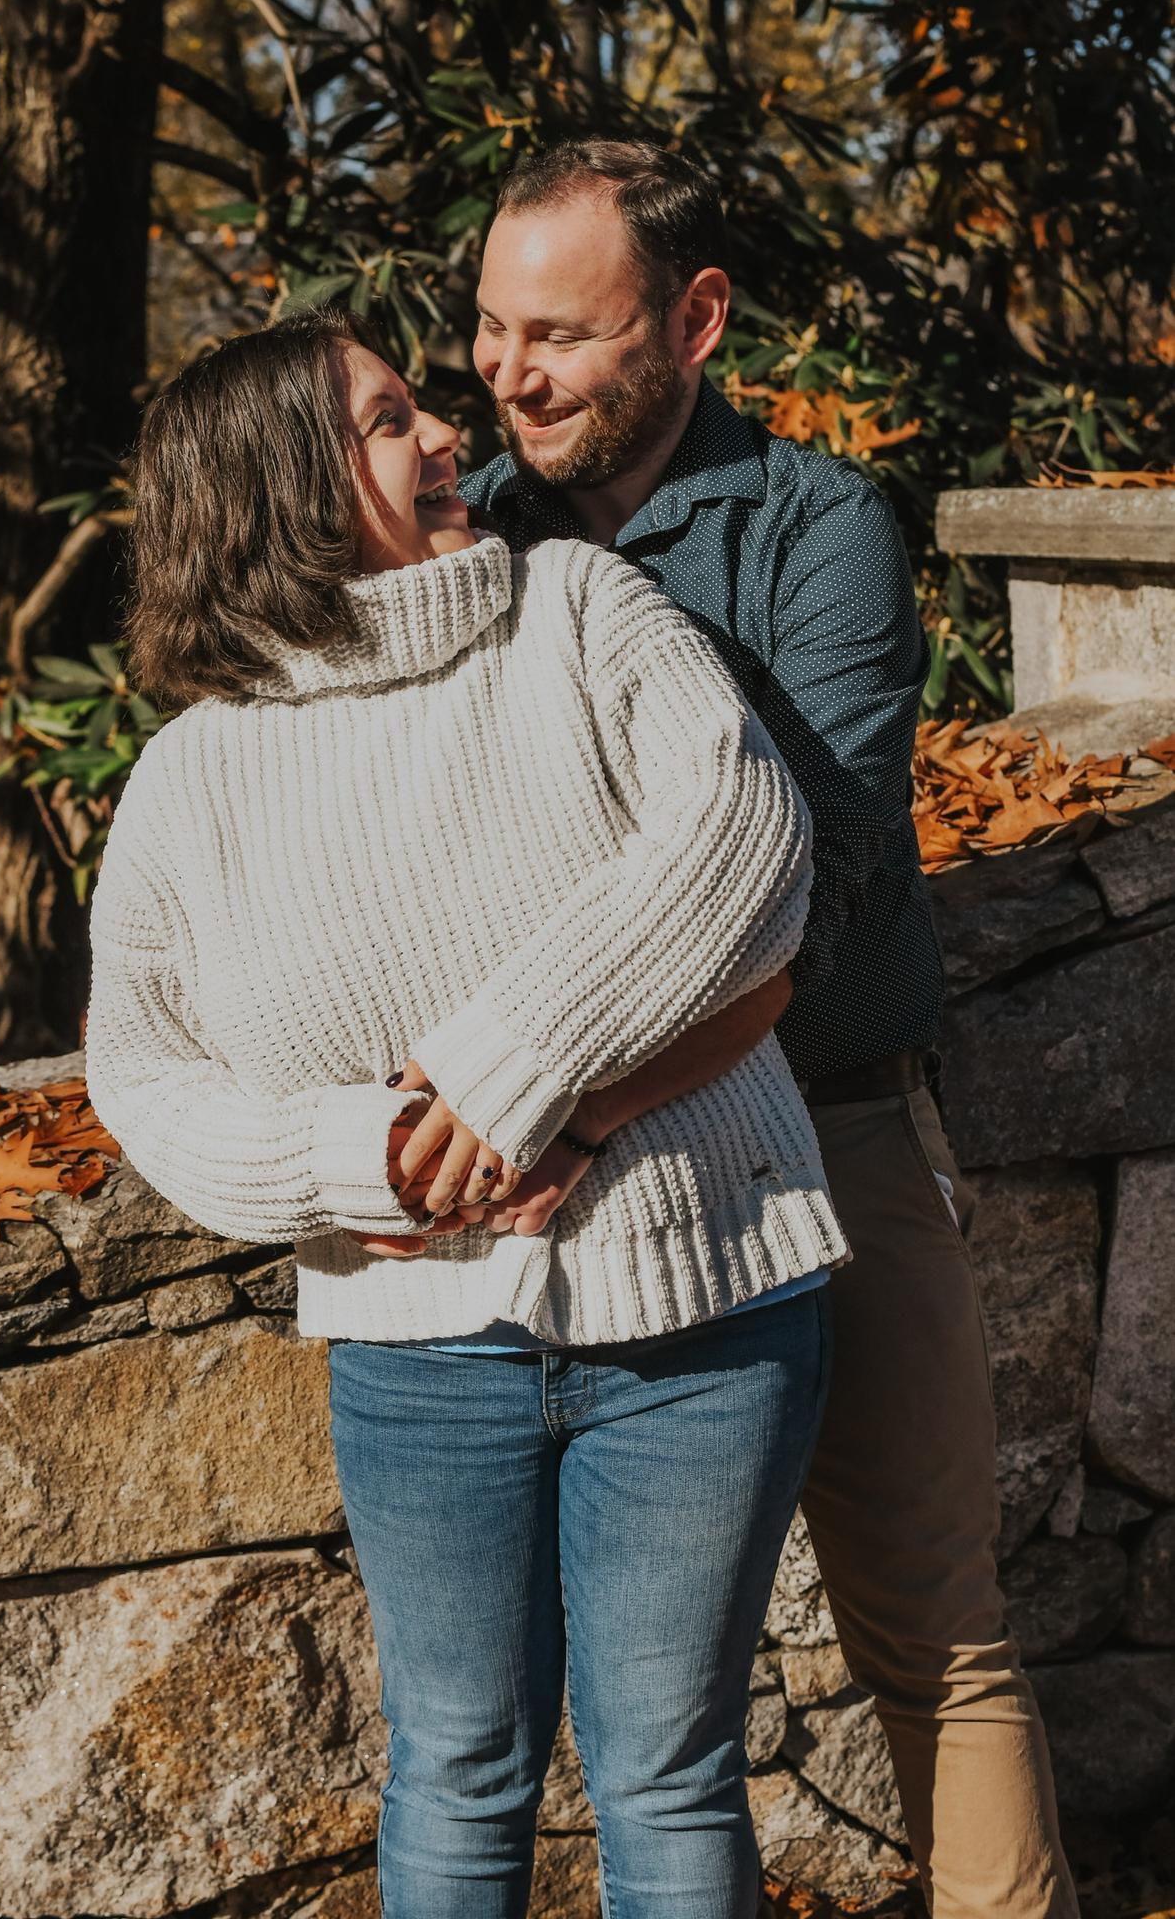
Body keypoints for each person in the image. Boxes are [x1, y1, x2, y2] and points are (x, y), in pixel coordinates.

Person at [85, 309, 851, 1919]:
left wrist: (504, 1072)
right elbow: (141, 1075)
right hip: (418, 1355)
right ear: (283, 490)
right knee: (456, 1766)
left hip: (702, 1307)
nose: (447, 434)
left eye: (418, 408)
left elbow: (744, 846)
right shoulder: (192, 778)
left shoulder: (578, 608)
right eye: (386, 421)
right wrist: (351, 1158)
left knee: (667, 1772)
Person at [454, 137, 1078, 1918]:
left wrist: (589, 1089)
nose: (510, 375)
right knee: (566, 1708)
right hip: (549, 1170)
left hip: (824, 1127)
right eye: (492, 329)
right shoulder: (465, 534)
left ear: (696, 318)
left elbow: (825, 879)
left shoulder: (816, 527)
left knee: (934, 1620)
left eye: (561, 333)